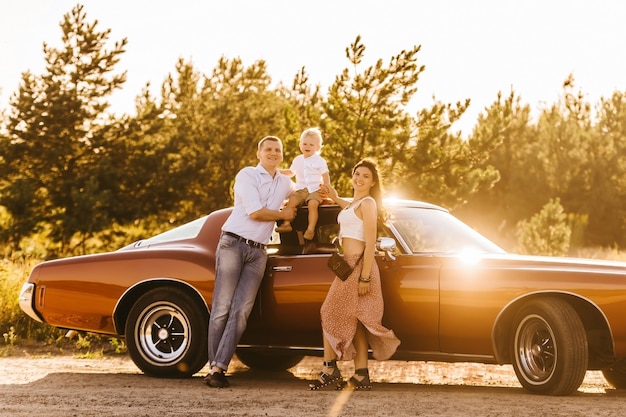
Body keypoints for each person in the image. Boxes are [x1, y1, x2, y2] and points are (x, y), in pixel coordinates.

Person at [204, 135, 297, 388]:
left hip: (259, 252)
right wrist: (284, 214)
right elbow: (255, 212)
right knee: (222, 307)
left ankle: (218, 368)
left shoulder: (285, 182)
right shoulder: (247, 175)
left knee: (242, 310)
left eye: (277, 150)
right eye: (268, 149)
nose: (273, 153)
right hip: (233, 243)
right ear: (259, 154)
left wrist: (324, 194)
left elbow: (304, 190)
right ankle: (214, 367)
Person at [308, 158, 400, 391]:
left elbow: (371, 243)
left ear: (373, 182)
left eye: (365, 176)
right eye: (356, 174)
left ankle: (329, 369)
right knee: (356, 321)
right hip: (347, 266)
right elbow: (345, 206)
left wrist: (365, 276)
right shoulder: (354, 204)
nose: (359, 179)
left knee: (328, 311)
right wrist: (333, 193)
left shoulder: (368, 203)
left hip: (358, 267)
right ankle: (361, 374)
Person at [275, 127, 330, 241]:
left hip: (315, 189)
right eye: (304, 144)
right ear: (300, 145)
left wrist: (326, 186)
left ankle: (310, 229)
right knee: (291, 203)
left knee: (312, 205)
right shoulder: (297, 160)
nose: (307, 147)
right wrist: (277, 171)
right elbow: (291, 172)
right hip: (300, 190)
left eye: (311, 144)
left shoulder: (319, 161)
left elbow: (325, 175)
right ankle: (286, 224)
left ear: (318, 147)